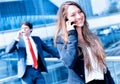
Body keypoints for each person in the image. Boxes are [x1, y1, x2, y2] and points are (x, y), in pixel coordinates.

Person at [54, 1, 115, 84]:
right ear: (66, 19)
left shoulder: (92, 37)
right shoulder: (62, 41)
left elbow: (103, 67)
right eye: (73, 15)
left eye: (79, 12)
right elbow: (69, 62)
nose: (79, 16)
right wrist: (72, 35)